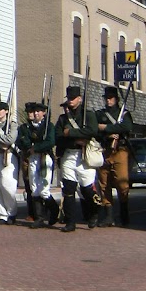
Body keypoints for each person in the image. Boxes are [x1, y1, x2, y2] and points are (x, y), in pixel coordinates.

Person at [54, 85, 99, 232]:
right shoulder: (62, 118)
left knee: (87, 190)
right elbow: (59, 137)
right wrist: (75, 139)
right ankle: (70, 222)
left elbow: (92, 131)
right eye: (69, 99)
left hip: (85, 155)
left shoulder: (89, 115)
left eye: (73, 99)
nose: (71, 101)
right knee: (68, 189)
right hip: (69, 154)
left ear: (79, 99)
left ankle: (94, 214)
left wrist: (70, 132)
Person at [94, 85, 133, 227]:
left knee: (122, 184)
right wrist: (107, 132)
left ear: (116, 99)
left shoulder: (124, 114)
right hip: (105, 150)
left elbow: (127, 127)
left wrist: (106, 128)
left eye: (110, 98)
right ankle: (108, 216)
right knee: (104, 184)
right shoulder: (100, 114)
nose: (108, 101)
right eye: (106, 98)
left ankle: (124, 213)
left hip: (120, 150)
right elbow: (95, 129)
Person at [16, 101, 59, 228]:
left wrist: (37, 147)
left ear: (43, 113)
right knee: (34, 188)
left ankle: (54, 210)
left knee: (44, 189)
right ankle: (39, 218)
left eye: (38, 111)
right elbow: (21, 141)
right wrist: (30, 147)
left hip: (44, 157)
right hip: (32, 158)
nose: (35, 114)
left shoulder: (48, 126)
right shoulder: (27, 127)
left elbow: (50, 142)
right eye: (34, 111)